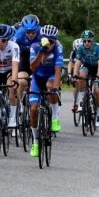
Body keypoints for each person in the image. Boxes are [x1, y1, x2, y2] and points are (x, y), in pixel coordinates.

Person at [28, 25, 64, 157]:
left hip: (51, 76)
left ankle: (55, 117)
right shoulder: (35, 47)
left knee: (50, 86)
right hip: (37, 78)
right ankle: (36, 141)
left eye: (52, 41)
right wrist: (41, 53)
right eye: (46, 40)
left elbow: (58, 70)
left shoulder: (59, 48)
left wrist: (55, 87)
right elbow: (32, 67)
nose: (49, 43)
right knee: (33, 109)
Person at [73, 30, 99, 126]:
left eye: (89, 41)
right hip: (87, 66)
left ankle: (98, 113)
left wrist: (98, 75)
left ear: (92, 41)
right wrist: (75, 74)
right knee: (81, 75)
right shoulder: (81, 48)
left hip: (96, 69)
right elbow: (78, 62)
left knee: (97, 91)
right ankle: (82, 99)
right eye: (84, 41)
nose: (86, 43)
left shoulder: (97, 48)